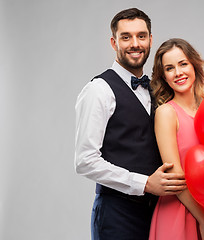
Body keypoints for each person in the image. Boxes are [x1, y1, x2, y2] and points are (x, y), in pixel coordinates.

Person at [74, 8, 187, 240]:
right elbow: (85, 161)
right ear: (114, 42)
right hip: (117, 214)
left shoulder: (158, 89)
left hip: (159, 213)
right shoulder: (99, 90)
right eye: (126, 37)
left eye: (141, 36)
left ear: (150, 40)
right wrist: (144, 183)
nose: (135, 44)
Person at [149, 38, 204, 240]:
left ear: (194, 65)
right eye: (169, 68)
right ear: (164, 77)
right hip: (178, 212)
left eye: (183, 64)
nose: (178, 73)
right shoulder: (166, 113)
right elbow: (174, 176)